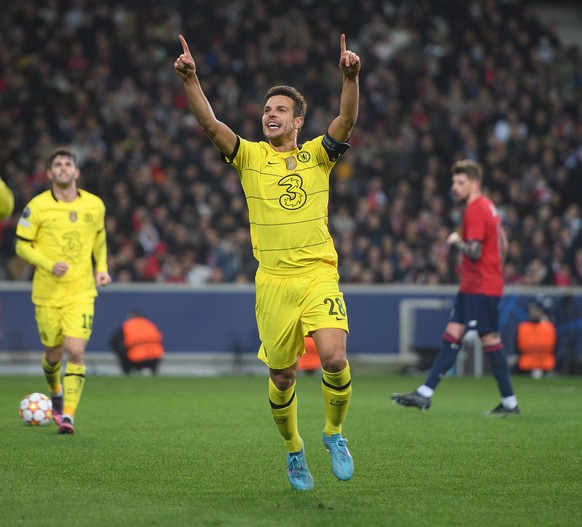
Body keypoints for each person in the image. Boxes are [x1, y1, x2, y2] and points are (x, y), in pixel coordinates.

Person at [175, 32, 360, 490]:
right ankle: (294, 450)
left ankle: (334, 434)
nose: (268, 115)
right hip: (273, 282)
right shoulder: (250, 157)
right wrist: (192, 81)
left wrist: (351, 77)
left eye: (279, 110)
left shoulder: (318, 155)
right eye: (266, 110)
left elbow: (347, 120)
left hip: (318, 274)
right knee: (282, 376)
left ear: (298, 121)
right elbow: (211, 125)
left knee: (334, 357)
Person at [391, 160, 520, 415]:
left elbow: (474, 251)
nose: (455, 186)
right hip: (476, 284)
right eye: (453, 182)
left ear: (474, 183)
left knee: (489, 339)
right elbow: (502, 244)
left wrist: (455, 242)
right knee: (453, 333)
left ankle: (510, 403)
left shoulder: (474, 209)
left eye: (461, 182)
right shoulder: (490, 207)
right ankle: (425, 393)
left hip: (480, 287)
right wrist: (494, 267)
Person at [15, 148, 111, 434]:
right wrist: (47, 264)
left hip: (81, 291)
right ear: (49, 173)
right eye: (57, 164)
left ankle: (67, 416)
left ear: (76, 172)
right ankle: (55, 390)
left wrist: (101, 267)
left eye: (68, 164)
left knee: (75, 350)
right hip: (46, 295)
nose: (63, 168)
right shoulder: (37, 207)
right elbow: (21, 245)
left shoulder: (95, 206)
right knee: (53, 356)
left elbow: (99, 237)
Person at [109, 310, 165, 375]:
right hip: (156, 357)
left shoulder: (127, 326)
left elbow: (113, 341)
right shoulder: (150, 324)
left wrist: (123, 354)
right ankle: (154, 374)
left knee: (125, 358)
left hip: (137, 357)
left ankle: (127, 376)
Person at [515, 302, 557, 378]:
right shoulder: (523, 327)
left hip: (546, 363)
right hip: (526, 363)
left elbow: (555, 345)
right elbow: (517, 346)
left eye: (537, 311)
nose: (535, 314)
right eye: (533, 311)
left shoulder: (548, 327)